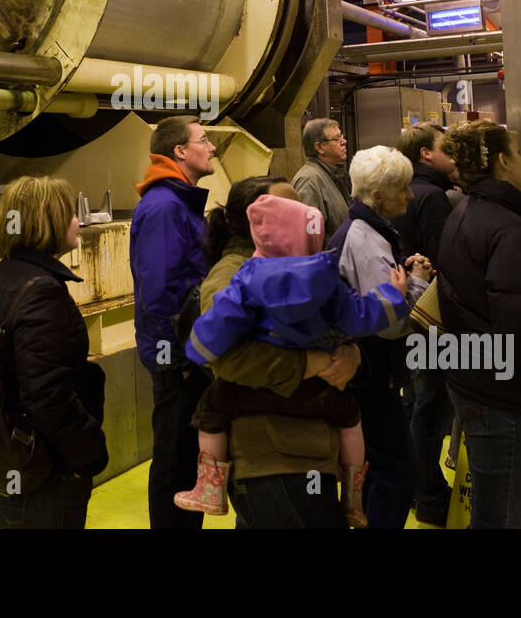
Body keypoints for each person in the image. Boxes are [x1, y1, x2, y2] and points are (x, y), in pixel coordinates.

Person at [175, 194, 411, 526]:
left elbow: (219, 330)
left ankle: (209, 487)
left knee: (210, 407)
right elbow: (359, 314)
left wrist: (196, 350)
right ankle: (354, 494)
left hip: (261, 399)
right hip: (321, 394)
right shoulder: (327, 277)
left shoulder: (247, 279)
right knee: (350, 416)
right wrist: (393, 298)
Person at [196, 176, 362, 529]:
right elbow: (226, 357)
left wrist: (349, 352)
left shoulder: (294, 265)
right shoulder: (233, 274)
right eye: (289, 205)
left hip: (306, 451)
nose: (304, 211)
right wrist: (314, 363)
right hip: (275, 461)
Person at [437, 121, 521, 528]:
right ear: (502, 162)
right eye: (516, 153)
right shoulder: (507, 229)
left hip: (477, 380)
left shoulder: (464, 213)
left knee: (493, 511)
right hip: (506, 394)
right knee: (504, 518)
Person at [0, 176, 108, 528]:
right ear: (44, 221)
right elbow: (46, 393)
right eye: (69, 213)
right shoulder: (41, 290)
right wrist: (88, 453)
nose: (79, 221)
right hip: (45, 471)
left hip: (10, 459)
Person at [328, 145, 434, 528]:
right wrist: (418, 284)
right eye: (401, 188)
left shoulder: (366, 232)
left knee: (376, 468)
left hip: (367, 371)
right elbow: (388, 321)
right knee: (397, 470)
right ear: (375, 196)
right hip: (370, 373)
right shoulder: (364, 241)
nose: (409, 195)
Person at [130, 115, 215, 529]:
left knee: (184, 459)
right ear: (180, 151)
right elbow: (159, 292)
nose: (212, 147)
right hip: (176, 358)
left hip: (185, 353)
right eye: (204, 140)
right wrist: (179, 361)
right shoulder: (165, 207)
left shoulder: (178, 201)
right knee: (174, 460)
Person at [394, 122, 458, 525]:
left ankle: (415, 482)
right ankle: (428, 490)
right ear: (425, 155)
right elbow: (444, 258)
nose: (449, 151)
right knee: (430, 407)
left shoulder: (407, 195)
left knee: (415, 401)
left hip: (409, 311)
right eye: (442, 145)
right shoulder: (433, 197)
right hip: (433, 312)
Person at [292, 117, 351, 239]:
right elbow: (309, 237)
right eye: (337, 138)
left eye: (342, 136)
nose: (344, 141)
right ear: (319, 147)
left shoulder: (331, 174)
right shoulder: (309, 181)